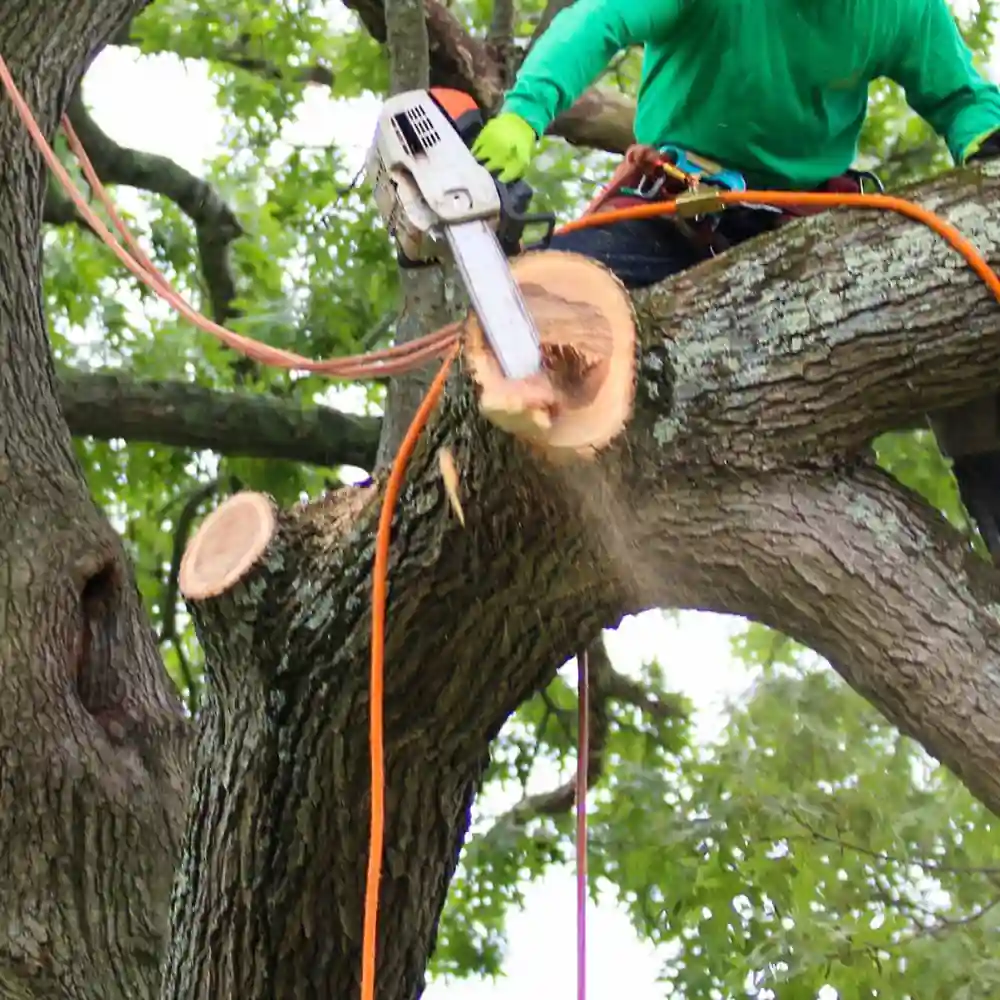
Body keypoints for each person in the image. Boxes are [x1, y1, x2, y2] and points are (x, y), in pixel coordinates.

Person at [471, 0, 1000, 563]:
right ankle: (525, 394)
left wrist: (987, 147)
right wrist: (525, 113)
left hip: (807, 236)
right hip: (675, 213)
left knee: (975, 333)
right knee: (546, 303)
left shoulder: (899, 8)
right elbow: (599, 21)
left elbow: (962, 97)